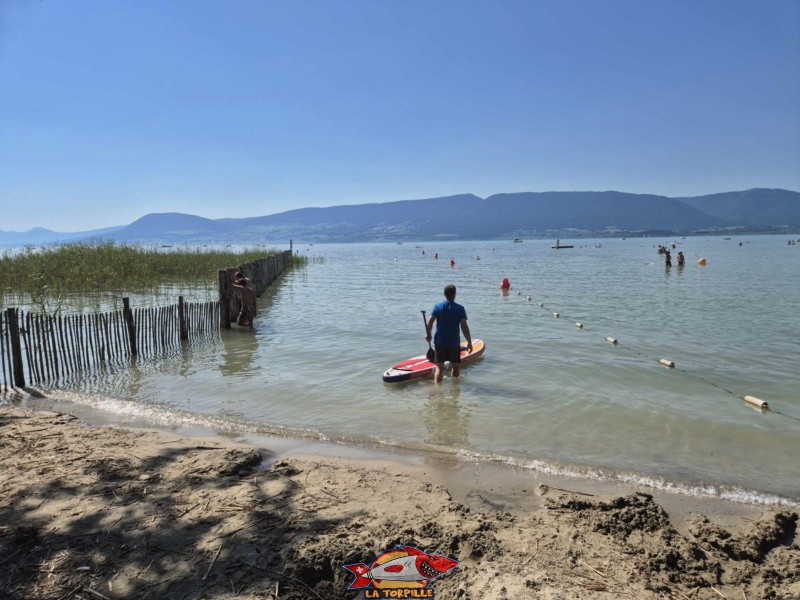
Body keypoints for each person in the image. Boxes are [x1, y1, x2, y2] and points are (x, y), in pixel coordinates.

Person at [425, 284, 472, 383]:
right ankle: (455, 392)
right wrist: (469, 342)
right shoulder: (460, 308)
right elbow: (464, 326)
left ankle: (438, 392)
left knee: (439, 368)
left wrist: (429, 334)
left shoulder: (438, 306)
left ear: (444, 294)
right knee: (455, 367)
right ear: (455, 294)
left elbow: (430, 321)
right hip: (453, 343)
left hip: (440, 342)